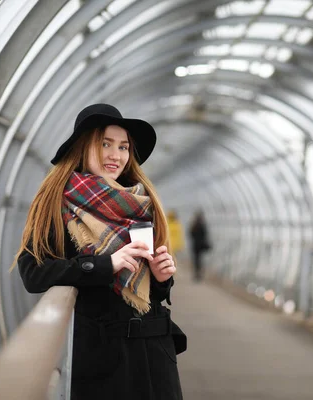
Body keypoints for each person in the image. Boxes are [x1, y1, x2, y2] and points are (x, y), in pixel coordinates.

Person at [11, 104, 186, 399]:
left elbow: (148, 293)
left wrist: (160, 278)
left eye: (123, 147)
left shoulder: (140, 201)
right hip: (104, 360)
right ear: (83, 145)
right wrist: (104, 265)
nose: (115, 155)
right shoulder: (56, 202)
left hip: (155, 352)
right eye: (105, 144)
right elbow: (33, 272)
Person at [189, 210, 210, 282]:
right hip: (201, 246)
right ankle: (200, 273)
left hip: (195, 246)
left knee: (196, 260)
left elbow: (191, 234)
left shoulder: (193, 225)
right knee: (200, 260)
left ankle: (196, 273)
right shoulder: (202, 225)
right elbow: (205, 234)